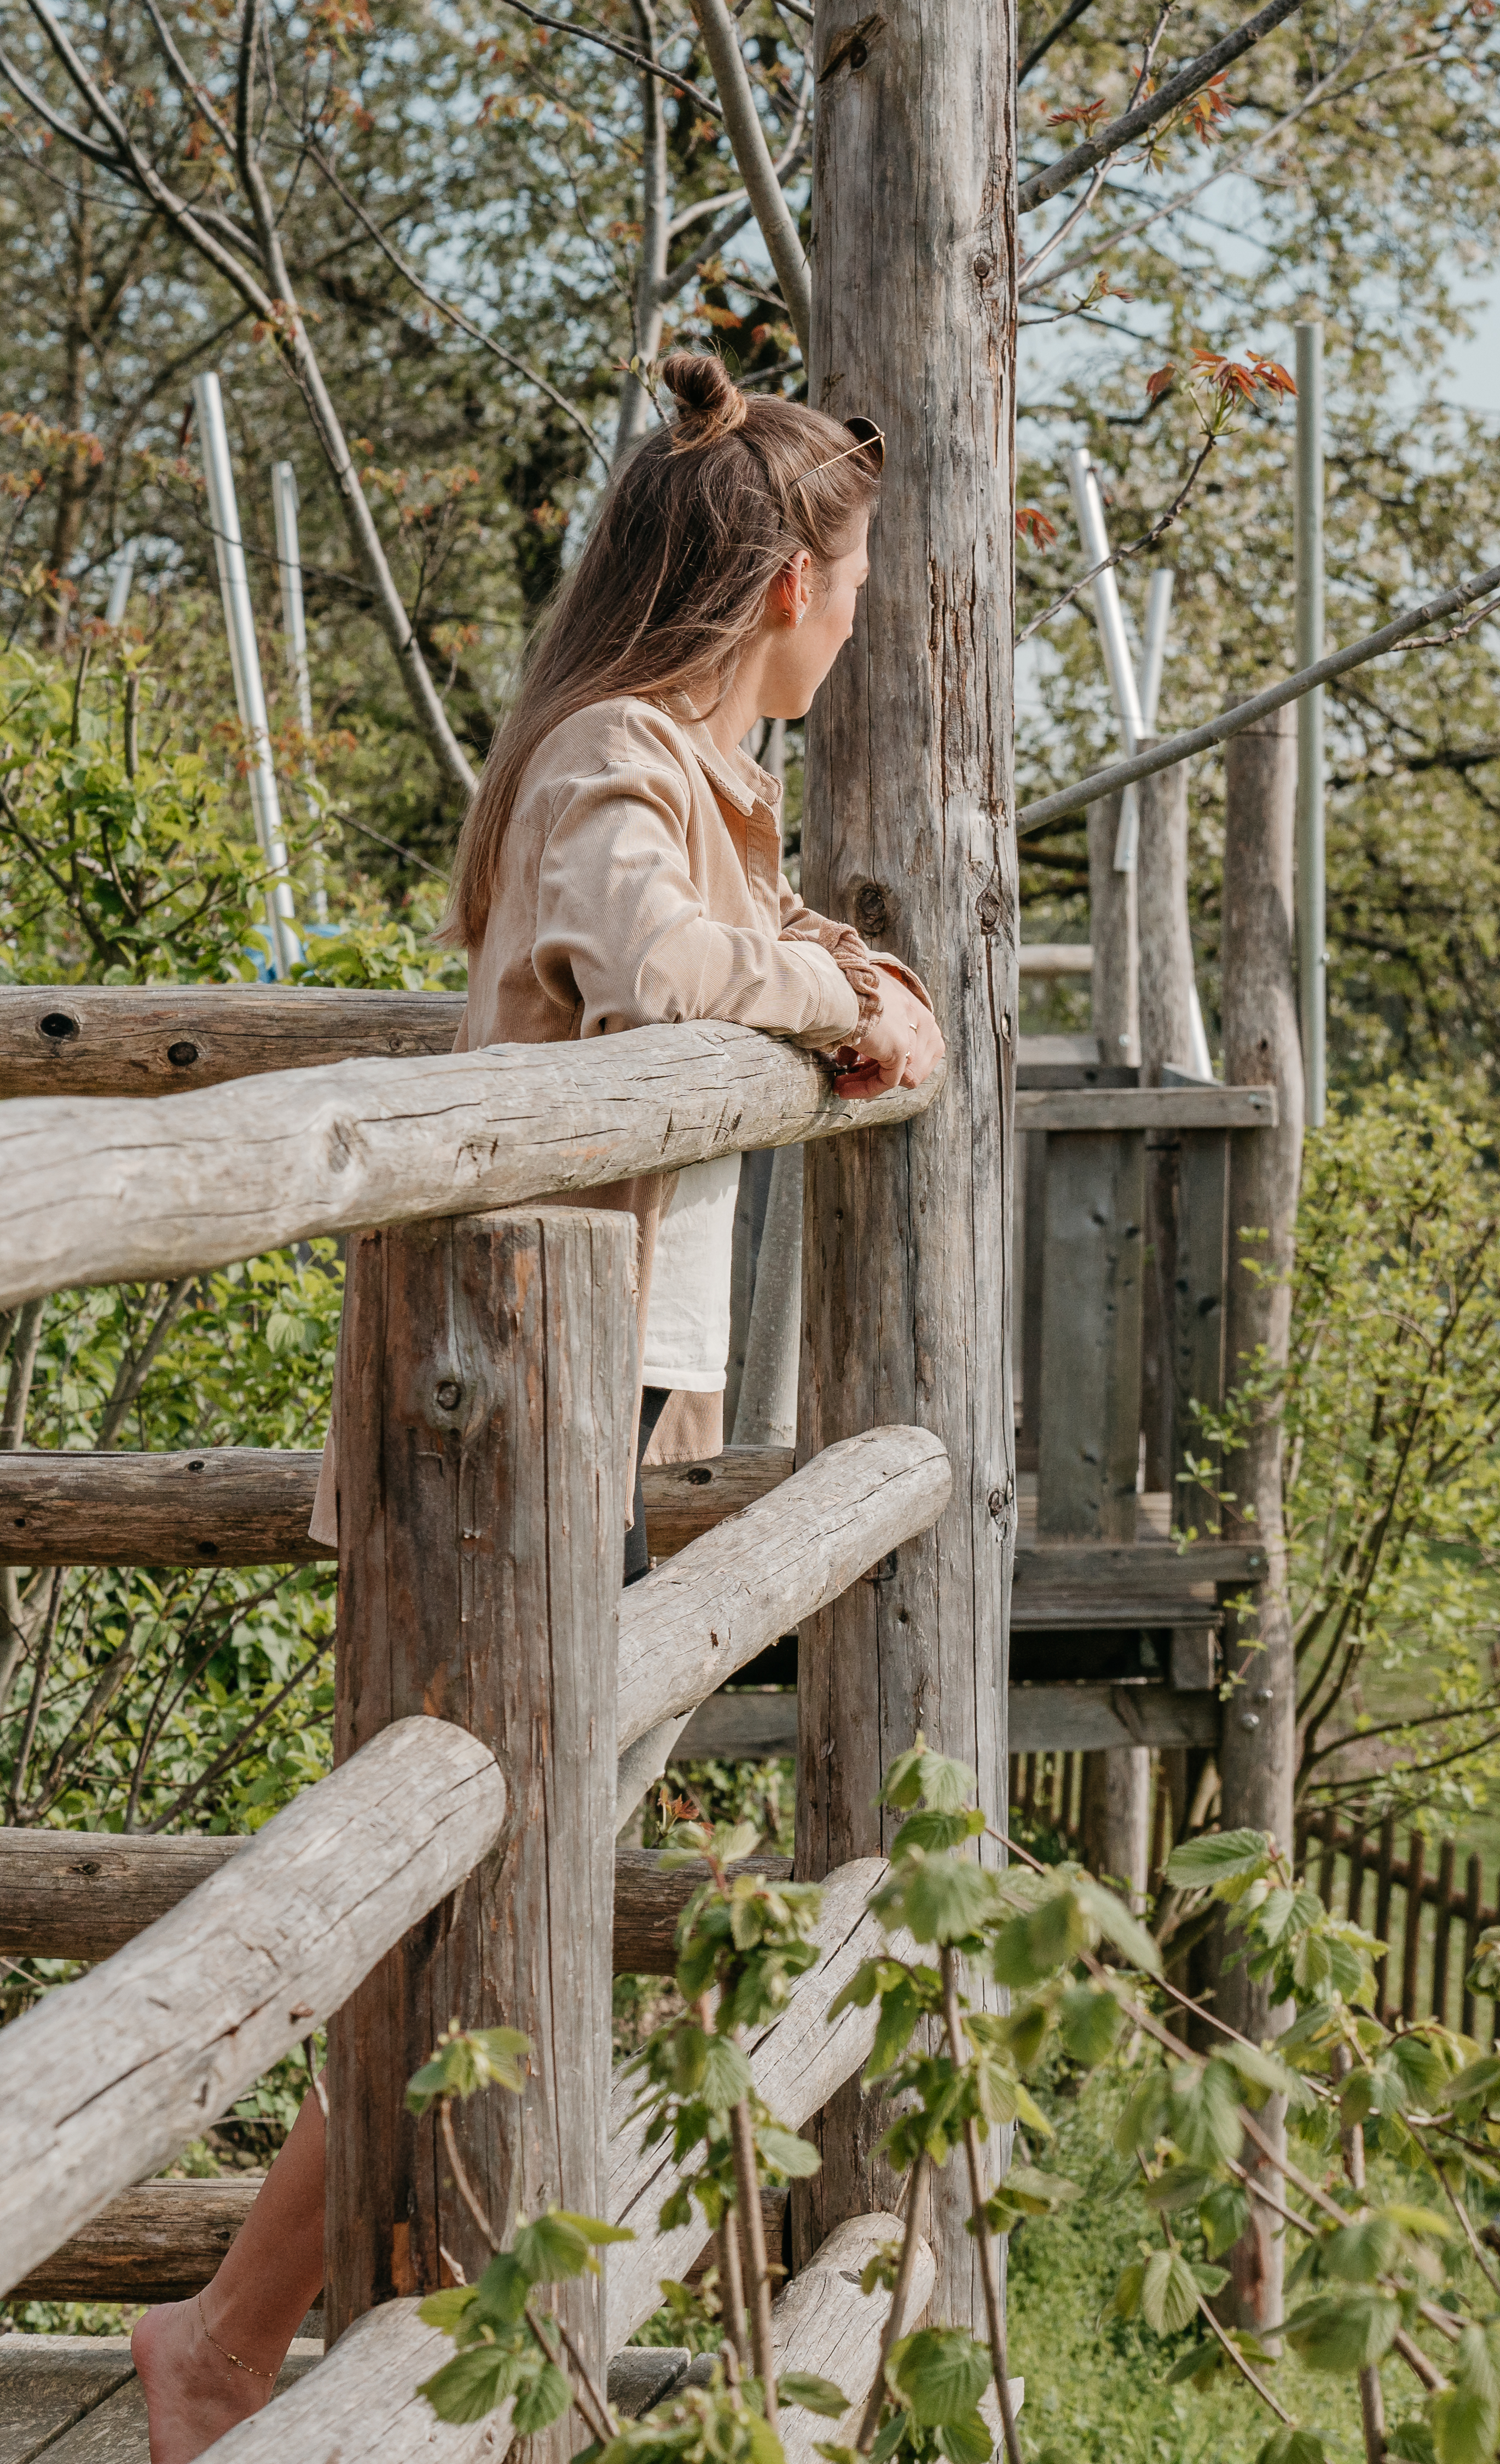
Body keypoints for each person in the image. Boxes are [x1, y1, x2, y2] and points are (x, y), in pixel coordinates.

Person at [132, 353, 945, 2463]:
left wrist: (863, 992)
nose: (861, 620)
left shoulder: (683, 772)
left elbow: (772, 958)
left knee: (515, 1878)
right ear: (786, 586)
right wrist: (823, 998)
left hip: (591, 1402)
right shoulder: (613, 759)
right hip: (496, 1414)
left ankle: (302, 2339)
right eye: (853, 578)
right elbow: (663, 971)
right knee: (480, 1884)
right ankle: (236, 2338)